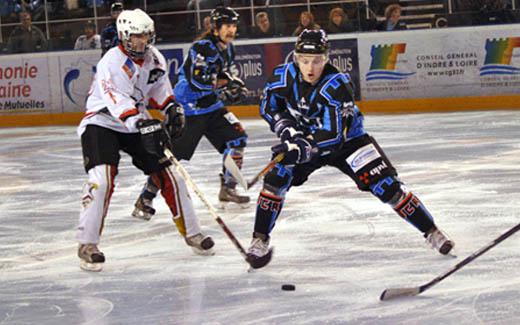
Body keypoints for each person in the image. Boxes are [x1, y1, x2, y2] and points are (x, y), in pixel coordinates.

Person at [246, 29, 455, 266]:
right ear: (296, 58)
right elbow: (269, 107)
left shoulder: (337, 84)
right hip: (303, 140)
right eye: (304, 61)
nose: (310, 68)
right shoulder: (282, 77)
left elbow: (334, 135)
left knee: (387, 187)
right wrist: (287, 130)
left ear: (326, 58)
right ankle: (259, 240)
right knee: (276, 179)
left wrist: (303, 147)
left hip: (348, 143)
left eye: (316, 60)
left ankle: (432, 231)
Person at [76, 9, 214, 272]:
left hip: (137, 122)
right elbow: (117, 101)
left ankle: (193, 232)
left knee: (172, 174)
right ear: (124, 36)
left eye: (146, 35)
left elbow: (160, 88)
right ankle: (87, 243)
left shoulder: (154, 58)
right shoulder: (111, 62)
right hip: (102, 122)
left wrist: (171, 107)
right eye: (137, 36)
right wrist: (141, 122)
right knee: (102, 179)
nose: (143, 41)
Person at [131, 6, 250, 221]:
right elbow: (198, 80)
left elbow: (224, 76)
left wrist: (232, 87)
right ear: (215, 28)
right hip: (189, 110)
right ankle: (145, 197)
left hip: (211, 108)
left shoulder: (228, 49)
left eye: (233, 25)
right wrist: (225, 84)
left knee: (237, 139)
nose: (231, 30)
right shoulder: (202, 48)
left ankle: (228, 188)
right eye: (227, 26)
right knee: (169, 157)